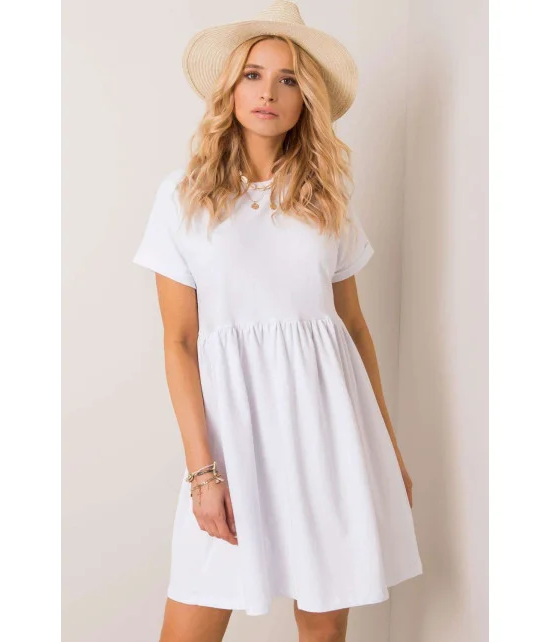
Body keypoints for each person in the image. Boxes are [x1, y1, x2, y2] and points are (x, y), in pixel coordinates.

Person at [132, 1, 423, 640]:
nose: (268, 92)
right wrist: (203, 473)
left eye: (288, 79)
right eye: (253, 75)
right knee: (192, 619)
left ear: (305, 100)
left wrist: (388, 451)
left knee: (323, 625)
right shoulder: (183, 196)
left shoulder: (327, 200)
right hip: (232, 439)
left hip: (330, 432)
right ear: (231, 89)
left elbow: (353, 329)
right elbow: (179, 342)